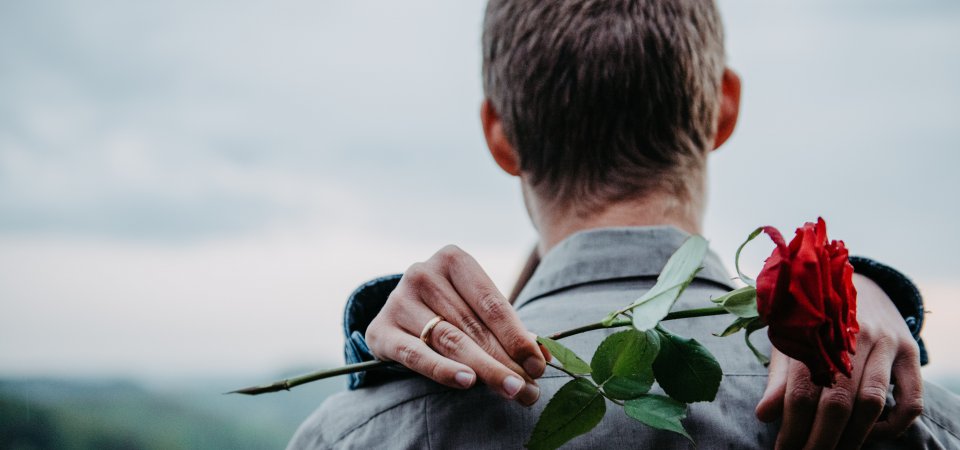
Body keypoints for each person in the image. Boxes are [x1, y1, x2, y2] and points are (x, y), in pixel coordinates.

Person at [288, 0, 960, 448]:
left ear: (501, 135)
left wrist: (371, 358)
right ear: (723, 108)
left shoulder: (358, 431)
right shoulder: (899, 413)